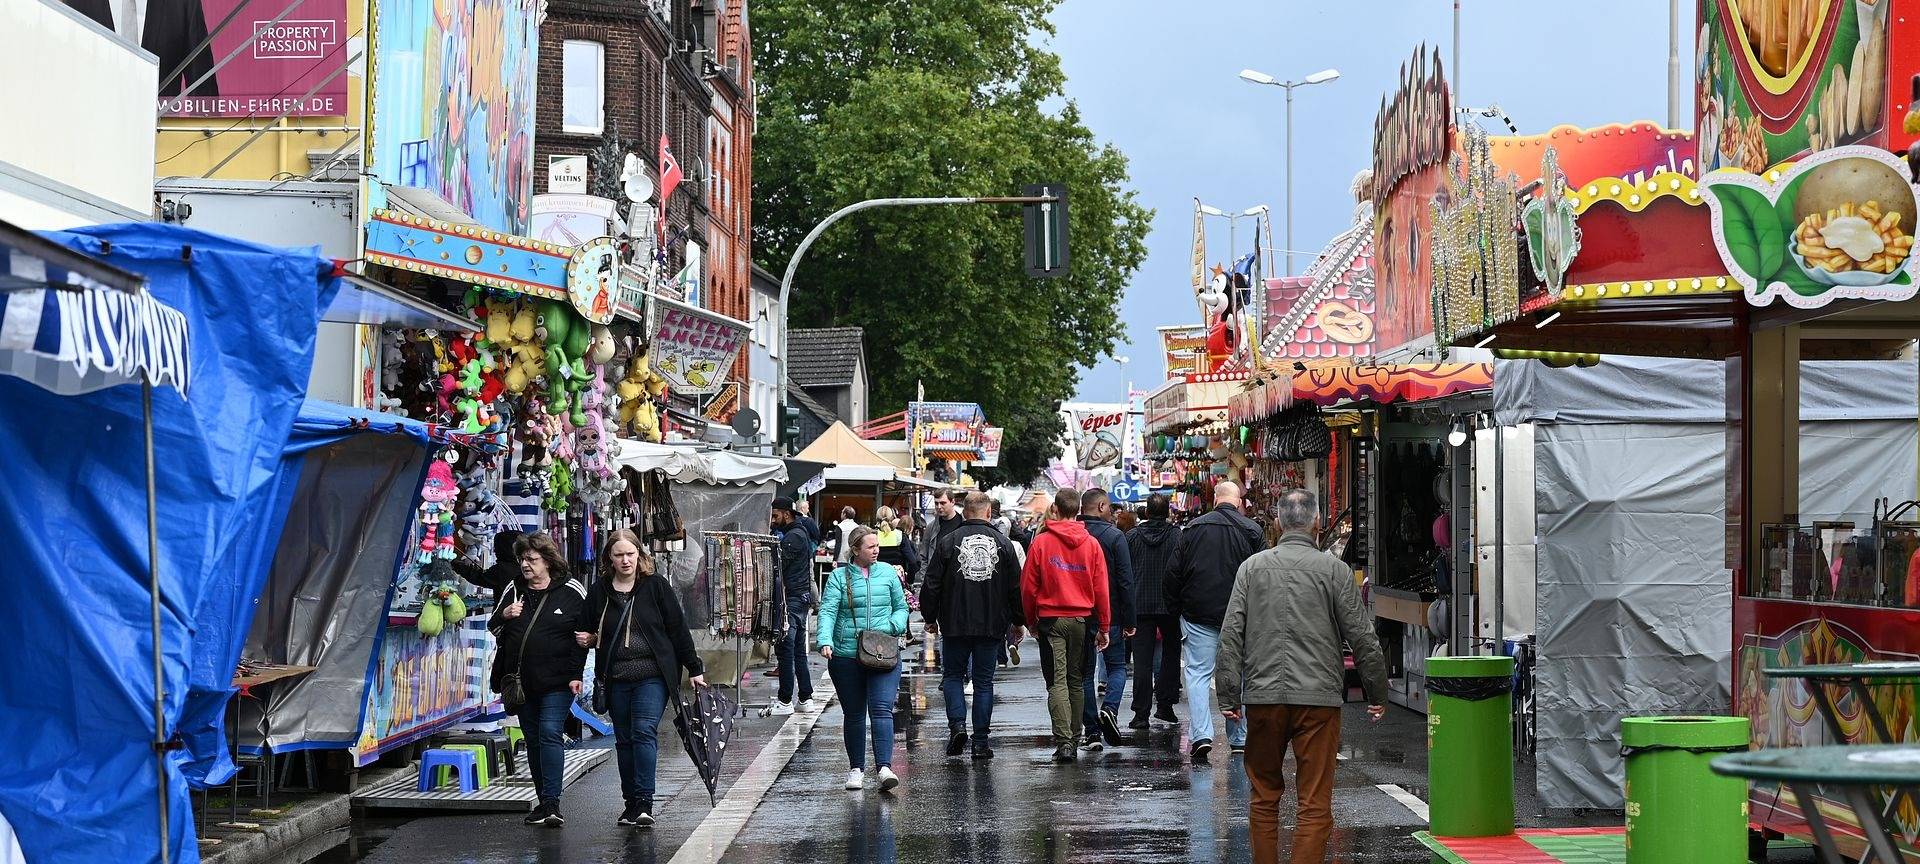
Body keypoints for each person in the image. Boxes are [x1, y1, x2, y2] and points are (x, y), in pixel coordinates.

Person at [1219, 489, 1388, 864]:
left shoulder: (1252, 569)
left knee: (1263, 797)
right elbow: (1363, 637)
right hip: (1318, 699)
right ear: (1317, 523)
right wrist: (1377, 691)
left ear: (1279, 523)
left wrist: (1229, 694)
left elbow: (1231, 635)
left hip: (1263, 696)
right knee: (1314, 802)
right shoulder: (1335, 571)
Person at [582, 529, 706, 827]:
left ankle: (645, 802)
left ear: (639, 554)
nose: (625, 560)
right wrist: (588, 641)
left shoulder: (655, 586)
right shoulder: (600, 591)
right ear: (609, 558)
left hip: (653, 675)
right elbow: (584, 629)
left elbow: (677, 629)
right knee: (624, 740)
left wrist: (694, 668)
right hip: (616, 677)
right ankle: (631, 803)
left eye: (630, 554)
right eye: (619, 555)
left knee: (643, 731)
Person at [488, 533, 590, 826]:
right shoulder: (514, 588)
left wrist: (577, 673)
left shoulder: (571, 590)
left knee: (549, 732)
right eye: (522, 559)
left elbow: (584, 634)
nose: (525, 565)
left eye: (531, 559)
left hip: (559, 681)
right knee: (533, 740)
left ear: (548, 561)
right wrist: (505, 615)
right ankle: (543, 802)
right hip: (522, 682)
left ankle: (553, 803)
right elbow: (493, 627)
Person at [1165, 481, 1265, 763]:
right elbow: (1263, 576)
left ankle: (1201, 735)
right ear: (1239, 502)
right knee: (1240, 674)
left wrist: (1176, 610)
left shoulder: (1192, 529)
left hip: (1198, 613)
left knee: (1198, 673)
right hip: (1241, 615)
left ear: (1215, 500)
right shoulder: (1252, 530)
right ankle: (1239, 736)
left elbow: (1173, 573)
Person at [920, 492, 1023, 760]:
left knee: (953, 676)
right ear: (989, 513)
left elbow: (932, 583)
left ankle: (957, 725)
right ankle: (980, 742)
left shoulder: (948, 542)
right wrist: (1018, 621)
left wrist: (930, 617)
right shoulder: (1004, 544)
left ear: (964, 512)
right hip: (991, 623)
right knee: (984, 682)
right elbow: (1015, 588)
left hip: (954, 622)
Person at [1020, 489, 1111, 764]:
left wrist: (1030, 621)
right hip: (1082, 619)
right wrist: (1104, 626)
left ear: (1055, 509)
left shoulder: (1041, 543)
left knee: (1056, 682)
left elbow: (1028, 587)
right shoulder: (1091, 544)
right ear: (1078, 510)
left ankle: (1065, 743)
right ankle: (1075, 735)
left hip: (1051, 620)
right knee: (1076, 680)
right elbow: (1101, 588)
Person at [818, 527, 911, 792]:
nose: (876, 550)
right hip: (847, 655)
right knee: (854, 714)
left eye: (877, 546)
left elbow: (901, 607)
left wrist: (892, 626)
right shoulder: (839, 577)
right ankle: (856, 769)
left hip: (883, 651)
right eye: (871, 547)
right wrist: (825, 640)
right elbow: (828, 611)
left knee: (881, 710)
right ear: (856, 550)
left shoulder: (889, 573)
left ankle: (884, 768)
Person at [1077, 488, 1136, 750]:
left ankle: (1091, 732)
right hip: (1110, 614)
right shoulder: (1114, 536)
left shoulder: (1074, 533)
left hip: (1078, 613)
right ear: (1101, 506)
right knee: (1117, 667)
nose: (1112, 511)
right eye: (1110, 506)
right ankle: (1110, 708)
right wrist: (1130, 619)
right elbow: (1125, 581)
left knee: (1085, 674)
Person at [1127, 493, 1183, 729]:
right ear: (1168, 512)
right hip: (1170, 604)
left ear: (1147, 512)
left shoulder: (1132, 537)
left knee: (1142, 660)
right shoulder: (1177, 536)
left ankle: (1141, 713)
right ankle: (1165, 706)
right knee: (1170, 655)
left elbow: (1126, 571)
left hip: (1140, 604)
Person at [766, 498, 817, 716]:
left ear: (786, 514)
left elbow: (778, 566)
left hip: (793, 598)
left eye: (775, 515)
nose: (773, 520)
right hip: (799, 597)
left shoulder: (794, 536)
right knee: (796, 650)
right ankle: (805, 697)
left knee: (787, 650)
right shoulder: (798, 533)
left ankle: (785, 699)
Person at [453, 529, 525, 594]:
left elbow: (478, 577)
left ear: (505, 550)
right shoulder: (522, 565)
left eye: (497, 548)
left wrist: (455, 565)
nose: (494, 551)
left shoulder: (504, 570)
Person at [872, 506, 922, 584]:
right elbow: (913, 562)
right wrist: (909, 581)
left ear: (876, 518)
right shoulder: (900, 536)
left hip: (876, 580)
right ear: (892, 518)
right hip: (896, 580)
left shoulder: (872, 536)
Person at [917, 489, 965, 567]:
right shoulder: (931, 528)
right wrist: (925, 574)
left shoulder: (963, 524)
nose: (939, 507)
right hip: (936, 573)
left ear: (952, 502)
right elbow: (923, 556)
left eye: (943, 503)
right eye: (936, 503)